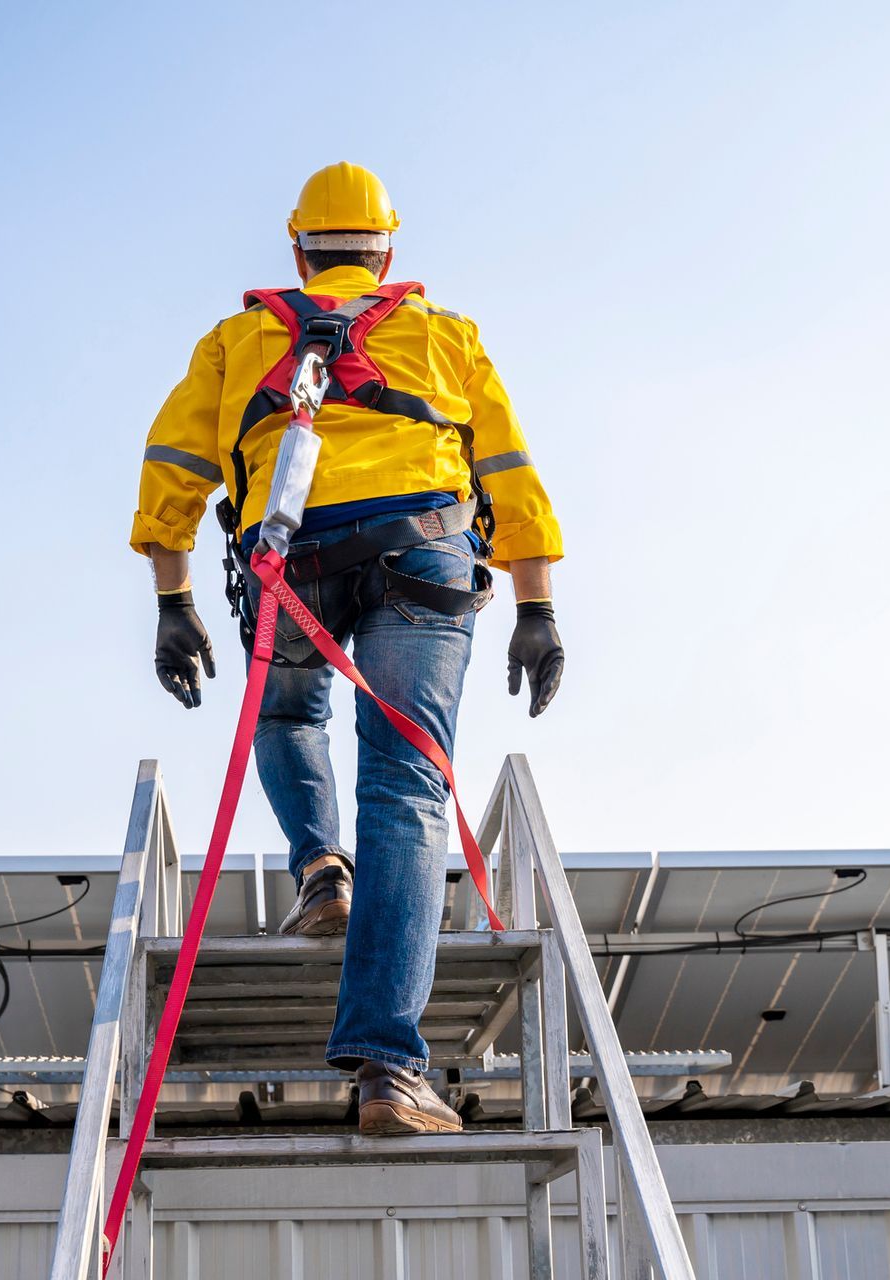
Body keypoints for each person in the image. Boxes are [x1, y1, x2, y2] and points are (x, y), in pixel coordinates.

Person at [128, 162, 564, 1136]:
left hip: (293, 554)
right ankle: (387, 1072)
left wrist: (174, 601)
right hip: (424, 548)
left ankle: (321, 867)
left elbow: (173, 467)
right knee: (406, 786)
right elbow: (509, 467)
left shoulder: (241, 339)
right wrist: (536, 606)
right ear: (386, 252)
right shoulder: (445, 336)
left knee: (287, 709)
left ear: (297, 250)